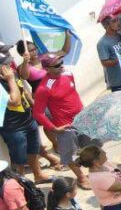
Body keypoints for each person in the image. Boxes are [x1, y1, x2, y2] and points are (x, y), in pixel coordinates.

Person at [32, 54, 89, 189]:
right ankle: (81, 177)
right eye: (57, 65)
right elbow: (38, 113)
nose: (61, 66)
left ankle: (95, 172)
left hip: (82, 119)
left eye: (61, 62)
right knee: (69, 154)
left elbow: (73, 92)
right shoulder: (44, 88)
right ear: (46, 68)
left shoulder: (68, 74)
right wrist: (54, 129)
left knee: (89, 147)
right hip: (64, 126)